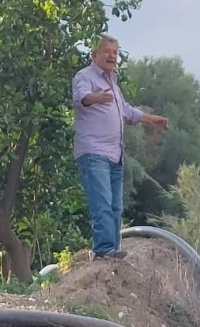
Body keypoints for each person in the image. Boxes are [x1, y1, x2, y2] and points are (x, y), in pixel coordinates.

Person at [72, 35, 168, 259]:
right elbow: (81, 98)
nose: (112, 56)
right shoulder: (84, 76)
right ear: (94, 55)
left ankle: (113, 252)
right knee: (103, 204)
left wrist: (151, 119)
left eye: (115, 52)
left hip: (115, 154)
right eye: (107, 51)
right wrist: (94, 98)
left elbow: (126, 111)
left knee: (115, 206)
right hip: (94, 152)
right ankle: (103, 251)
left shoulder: (113, 84)